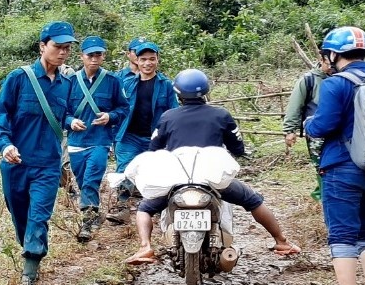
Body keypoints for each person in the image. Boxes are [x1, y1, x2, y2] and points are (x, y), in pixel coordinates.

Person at [125, 69, 300, 264]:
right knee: (253, 201)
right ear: (206, 91)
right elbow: (238, 147)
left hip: (177, 178)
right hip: (212, 178)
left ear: (178, 93)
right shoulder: (221, 115)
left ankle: (145, 247)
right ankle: (281, 241)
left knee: (145, 208)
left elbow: (154, 148)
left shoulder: (168, 117)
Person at [0, 21, 74, 285]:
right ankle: (32, 248)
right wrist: (5, 145)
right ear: (42, 46)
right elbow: (1, 116)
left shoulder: (67, 84)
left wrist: (71, 121)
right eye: (58, 47)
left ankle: (28, 276)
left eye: (67, 48)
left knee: (39, 216)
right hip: (16, 163)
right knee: (21, 217)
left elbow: (63, 115)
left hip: (48, 165)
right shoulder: (18, 78)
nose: (63, 53)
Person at [305, 26, 365, 285]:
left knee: (341, 234)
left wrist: (308, 124)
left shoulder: (335, 84)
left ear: (334, 54)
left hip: (343, 167)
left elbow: (323, 126)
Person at [65, 36, 129, 242]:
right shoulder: (70, 81)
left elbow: (123, 108)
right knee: (82, 180)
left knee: (92, 178)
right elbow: (61, 111)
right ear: (81, 56)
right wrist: (70, 121)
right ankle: (93, 210)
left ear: (103, 56)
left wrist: (110, 116)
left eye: (98, 55)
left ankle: (88, 219)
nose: (94, 58)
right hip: (76, 142)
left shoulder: (112, 81)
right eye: (90, 55)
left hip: (100, 141)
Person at [107, 41, 178, 224]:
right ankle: (121, 208)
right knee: (124, 170)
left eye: (152, 59)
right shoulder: (127, 83)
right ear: (136, 61)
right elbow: (118, 108)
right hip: (128, 136)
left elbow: (174, 112)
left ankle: (160, 209)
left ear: (157, 60)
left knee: (158, 173)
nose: (148, 63)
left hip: (155, 138)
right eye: (143, 59)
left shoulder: (166, 85)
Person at [283, 56, 332, 200]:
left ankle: (320, 194)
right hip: (316, 133)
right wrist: (290, 130)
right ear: (321, 60)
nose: (331, 67)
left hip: (338, 131)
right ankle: (324, 198)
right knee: (321, 166)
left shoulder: (341, 76)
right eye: (328, 64)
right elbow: (295, 105)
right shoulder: (308, 80)